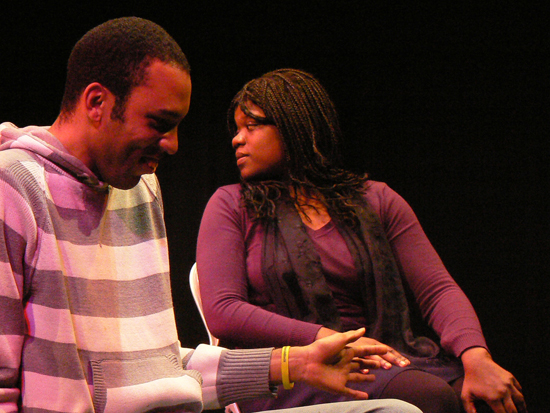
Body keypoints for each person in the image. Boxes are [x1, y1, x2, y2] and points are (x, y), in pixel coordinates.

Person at [0, 18, 422, 413]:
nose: (173, 145)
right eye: (160, 123)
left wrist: (295, 364)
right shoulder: (14, 188)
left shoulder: (140, 189)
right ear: (97, 102)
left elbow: (159, 366)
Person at [196, 68, 528, 413]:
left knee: (490, 395)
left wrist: (476, 356)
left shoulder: (375, 200)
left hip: (386, 358)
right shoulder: (231, 204)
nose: (237, 139)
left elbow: (437, 289)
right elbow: (224, 312)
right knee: (431, 397)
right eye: (237, 129)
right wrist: (327, 340)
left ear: (297, 128)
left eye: (253, 125)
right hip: (291, 375)